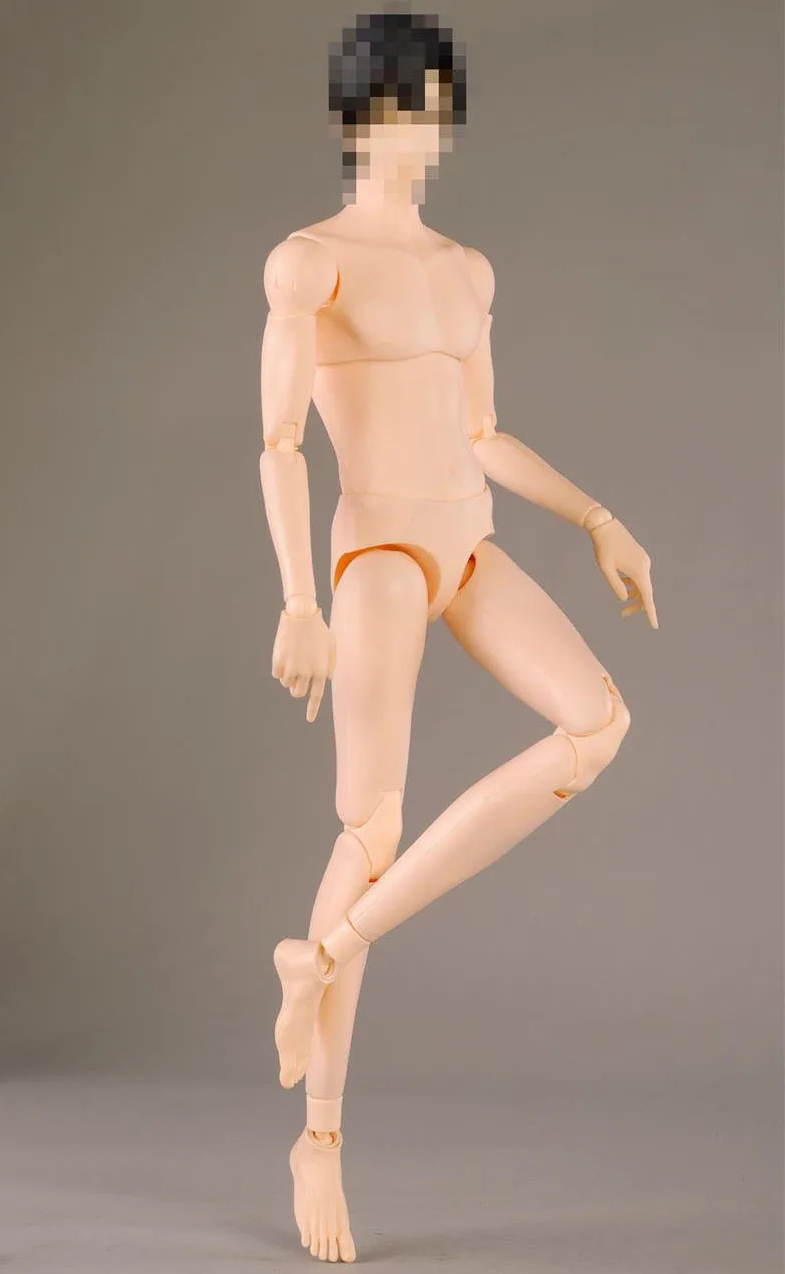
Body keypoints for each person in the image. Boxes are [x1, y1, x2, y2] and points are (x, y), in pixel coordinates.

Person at [259, 10, 658, 1263]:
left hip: (467, 546)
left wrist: (595, 516)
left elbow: (480, 434)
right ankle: (319, 1136)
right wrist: (299, 598)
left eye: (434, 108)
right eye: (400, 107)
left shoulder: (465, 270)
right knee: (367, 827)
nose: (420, 132)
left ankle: (323, 952)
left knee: (594, 722)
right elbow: (276, 441)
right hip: (377, 553)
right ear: (357, 117)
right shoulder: (308, 263)